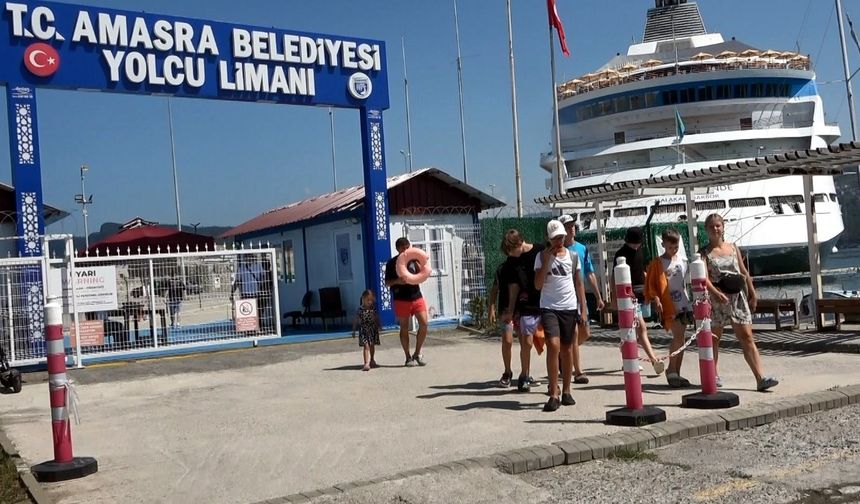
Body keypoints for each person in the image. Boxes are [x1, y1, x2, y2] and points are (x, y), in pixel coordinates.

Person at [700, 213, 778, 391]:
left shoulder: (733, 248)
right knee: (714, 338)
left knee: (747, 337)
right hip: (718, 298)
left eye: (718, 225)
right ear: (706, 230)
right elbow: (704, 278)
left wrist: (752, 292)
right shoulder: (704, 253)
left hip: (737, 297)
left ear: (723, 226)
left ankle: (760, 377)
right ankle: (713, 374)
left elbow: (743, 272)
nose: (715, 229)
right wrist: (715, 292)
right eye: (711, 226)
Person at [535, 220, 587, 412]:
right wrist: (546, 262)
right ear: (549, 239)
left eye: (561, 237)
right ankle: (553, 393)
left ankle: (566, 390)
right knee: (553, 345)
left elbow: (579, 283)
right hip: (549, 306)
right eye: (555, 238)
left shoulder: (573, 256)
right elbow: (538, 285)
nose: (559, 241)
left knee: (567, 348)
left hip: (569, 306)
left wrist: (583, 309)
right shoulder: (541, 257)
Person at [558, 214, 605, 384]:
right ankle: (578, 371)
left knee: (585, 333)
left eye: (573, 225)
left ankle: (564, 353)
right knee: (574, 332)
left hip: (579, 296)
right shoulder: (558, 250)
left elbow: (589, 272)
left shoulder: (581, 249)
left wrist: (598, 295)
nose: (572, 228)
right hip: (564, 297)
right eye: (568, 226)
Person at [612, 227, 665, 375]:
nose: (635, 246)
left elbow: (642, 270)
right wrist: (615, 298)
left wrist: (652, 291)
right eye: (632, 243)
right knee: (641, 328)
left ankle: (628, 356)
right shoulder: (621, 254)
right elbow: (614, 277)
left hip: (641, 294)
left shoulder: (640, 251)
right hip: (629, 295)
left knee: (632, 330)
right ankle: (654, 360)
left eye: (638, 243)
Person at [645, 228, 693, 388]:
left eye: (676, 246)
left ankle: (676, 372)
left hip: (683, 302)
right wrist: (656, 299)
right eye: (670, 246)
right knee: (678, 336)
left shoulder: (682, 260)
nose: (674, 249)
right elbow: (653, 285)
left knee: (682, 338)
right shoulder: (657, 263)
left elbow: (685, 280)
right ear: (664, 244)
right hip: (669, 303)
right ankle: (671, 370)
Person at [498, 229, 543, 392]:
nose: (509, 254)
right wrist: (510, 310)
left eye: (510, 250)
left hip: (545, 301)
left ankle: (557, 373)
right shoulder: (511, 262)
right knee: (527, 341)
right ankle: (524, 375)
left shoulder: (539, 251)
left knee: (553, 340)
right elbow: (514, 287)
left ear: (518, 244)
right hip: (526, 305)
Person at [384, 237, 428, 367]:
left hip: (416, 296)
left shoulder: (414, 259)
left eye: (407, 247)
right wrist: (397, 281)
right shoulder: (392, 263)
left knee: (424, 324)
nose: (405, 250)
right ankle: (408, 357)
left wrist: (420, 264)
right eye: (403, 248)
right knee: (404, 327)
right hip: (401, 298)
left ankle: (418, 353)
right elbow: (387, 282)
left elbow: (422, 274)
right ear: (397, 249)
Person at [487, 259, 516, 386]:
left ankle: (525, 373)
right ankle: (507, 371)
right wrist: (491, 307)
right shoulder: (501, 268)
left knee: (527, 342)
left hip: (522, 308)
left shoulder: (523, 266)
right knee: (507, 341)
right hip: (505, 309)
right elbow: (495, 289)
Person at [232, 254, 264, 329]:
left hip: (256, 293)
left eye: (250, 257)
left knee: (258, 311)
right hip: (245, 294)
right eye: (246, 257)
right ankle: (248, 329)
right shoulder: (241, 269)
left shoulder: (258, 266)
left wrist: (262, 286)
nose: (248, 259)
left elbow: (263, 276)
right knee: (248, 312)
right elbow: (237, 281)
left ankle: (258, 328)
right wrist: (232, 292)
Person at [352, 289, 381, 371]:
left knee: (372, 345)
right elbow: (356, 320)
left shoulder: (373, 309)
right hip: (364, 330)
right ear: (363, 299)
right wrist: (354, 330)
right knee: (366, 346)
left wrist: (379, 326)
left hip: (372, 330)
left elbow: (376, 318)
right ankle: (366, 363)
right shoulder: (360, 309)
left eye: (371, 300)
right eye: (367, 300)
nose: (369, 302)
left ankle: (372, 359)